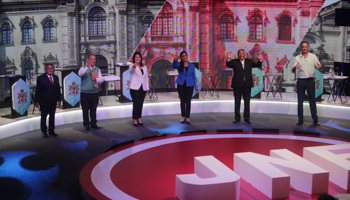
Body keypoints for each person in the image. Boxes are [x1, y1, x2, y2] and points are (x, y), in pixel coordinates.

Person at [226, 49, 263, 124]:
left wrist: (260, 60)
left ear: (245, 54)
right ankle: (237, 118)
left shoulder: (249, 61)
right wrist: (228, 59)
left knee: (247, 102)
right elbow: (228, 65)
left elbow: (257, 65)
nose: (241, 55)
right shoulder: (234, 61)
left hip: (247, 85)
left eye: (242, 53)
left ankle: (247, 118)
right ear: (238, 54)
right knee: (237, 102)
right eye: (239, 53)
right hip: (237, 86)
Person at [292, 41, 321, 126]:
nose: (304, 48)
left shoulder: (313, 56)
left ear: (308, 47)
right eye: (303, 47)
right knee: (300, 101)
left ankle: (315, 119)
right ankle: (300, 119)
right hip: (301, 81)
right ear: (301, 48)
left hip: (310, 81)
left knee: (312, 100)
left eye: (306, 47)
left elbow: (318, 65)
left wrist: (319, 66)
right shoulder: (297, 57)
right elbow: (293, 70)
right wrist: (295, 68)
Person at [35, 64, 62, 137]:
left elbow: (58, 89)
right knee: (44, 116)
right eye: (49, 68)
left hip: (53, 101)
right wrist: (37, 101)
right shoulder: (41, 78)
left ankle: (51, 130)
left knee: (52, 116)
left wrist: (59, 100)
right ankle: (44, 131)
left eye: (52, 68)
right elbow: (38, 91)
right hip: (44, 101)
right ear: (45, 69)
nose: (50, 70)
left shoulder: (56, 78)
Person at [78, 54, 104, 130]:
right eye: (91, 59)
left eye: (94, 59)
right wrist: (87, 67)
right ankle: (86, 124)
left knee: (93, 109)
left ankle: (93, 123)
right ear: (88, 60)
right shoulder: (83, 68)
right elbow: (80, 74)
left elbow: (101, 79)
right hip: (85, 92)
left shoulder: (97, 69)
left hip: (94, 92)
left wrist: (96, 79)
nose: (93, 60)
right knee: (85, 109)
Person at [173, 50, 198, 124]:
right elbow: (174, 65)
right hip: (181, 84)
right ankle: (183, 116)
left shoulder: (191, 65)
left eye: (185, 55)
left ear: (187, 56)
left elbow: (194, 76)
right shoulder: (179, 64)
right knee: (182, 101)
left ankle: (187, 117)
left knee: (188, 101)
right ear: (181, 57)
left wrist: (196, 87)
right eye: (182, 56)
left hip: (190, 85)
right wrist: (175, 59)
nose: (184, 57)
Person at [129, 52, 149, 126]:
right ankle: (135, 119)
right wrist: (135, 65)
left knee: (140, 104)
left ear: (141, 58)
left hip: (143, 88)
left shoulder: (144, 67)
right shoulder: (131, 66)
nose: (138, 58)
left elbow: (146, 78)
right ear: (134, 58)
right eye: (136, 57)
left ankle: (139, 118)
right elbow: (131, 69)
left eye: (139, 57)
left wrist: (147, 88)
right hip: (134, 88)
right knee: (136, 103)